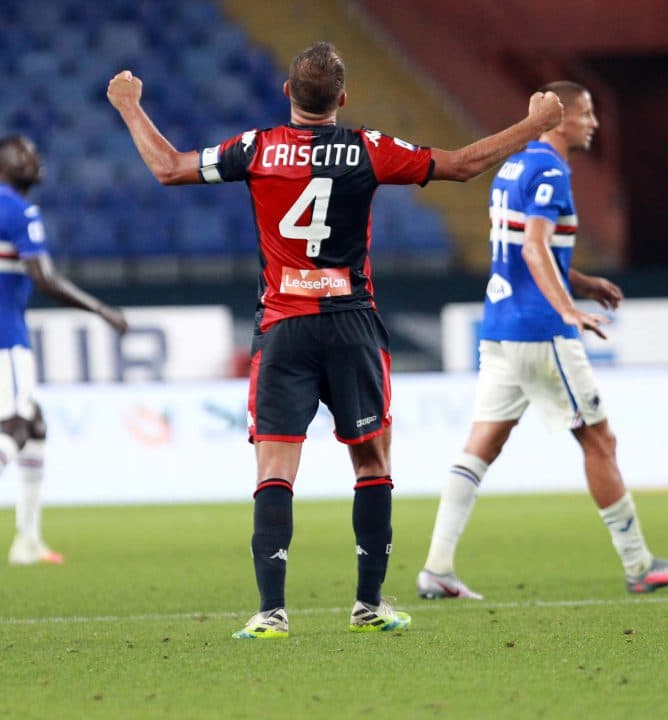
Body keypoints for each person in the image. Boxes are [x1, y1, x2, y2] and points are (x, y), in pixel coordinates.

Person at [107, 41, 563, 637]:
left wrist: (128, 105)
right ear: (342, 99)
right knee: (372, 461)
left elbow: (169, 167)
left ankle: (271, 613)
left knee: (274, 467)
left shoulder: (257, 148)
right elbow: (460, 165)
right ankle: (369, 604)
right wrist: (533, 125)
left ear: (287, 94)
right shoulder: (368, 149)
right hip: (351, 324)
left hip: (284, 326)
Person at [416, 81, 668, 601]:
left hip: (500, 325)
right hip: (540, 328)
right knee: (599, 440)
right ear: (560, 119)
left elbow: (525, 249)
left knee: (483, 444)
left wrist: (584, 282)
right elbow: (533, 249)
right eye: (587, 112)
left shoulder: (513, 167)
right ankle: (640, 566)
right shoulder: (551, 170)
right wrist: (568, 307)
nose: (594, 122)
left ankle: (437, 567)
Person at [0, 135, 128, 565]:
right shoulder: (18, 209)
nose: (37, 160)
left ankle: (27, 540)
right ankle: (27, 541)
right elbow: (45, 278)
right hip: (6, 337)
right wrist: (102, 310)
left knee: (35, 425)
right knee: (15, 424)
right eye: (27, 153)